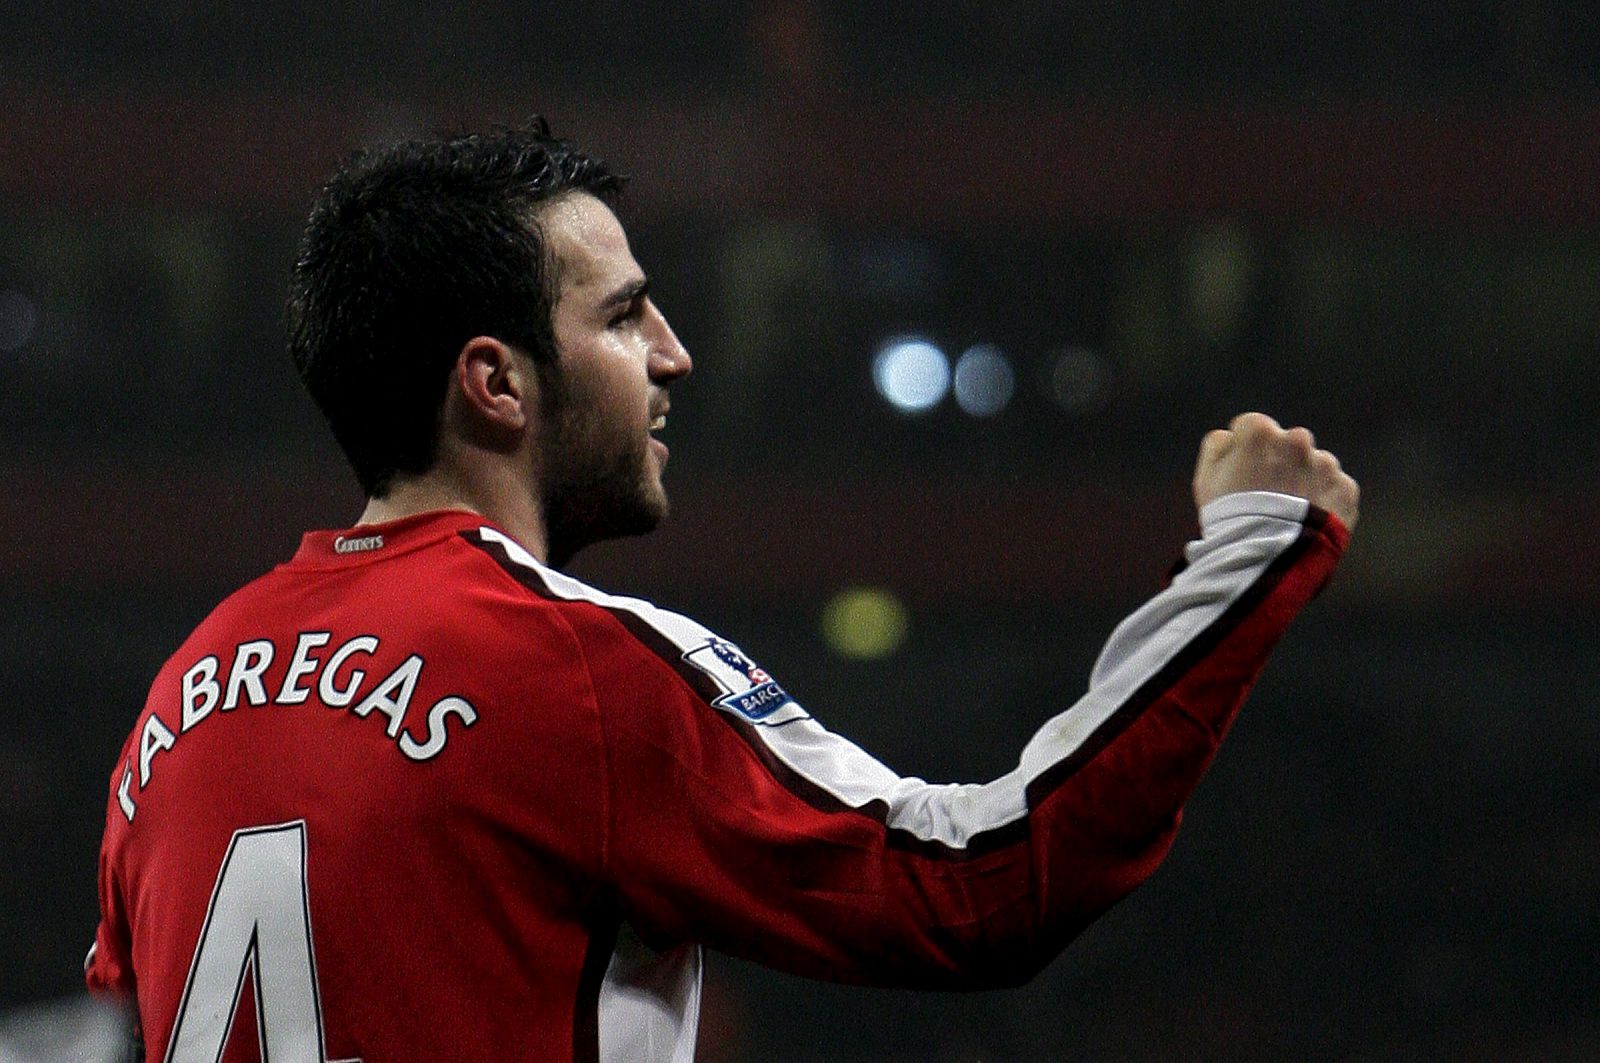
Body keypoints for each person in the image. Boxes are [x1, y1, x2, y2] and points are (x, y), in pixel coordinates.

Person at [86, 121, 1358, 1062]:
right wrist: (1252, 547)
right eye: (625, 315)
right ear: (496, 383)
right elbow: (980, 885)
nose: (674, 357)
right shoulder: (571, 669)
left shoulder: (179, 698)